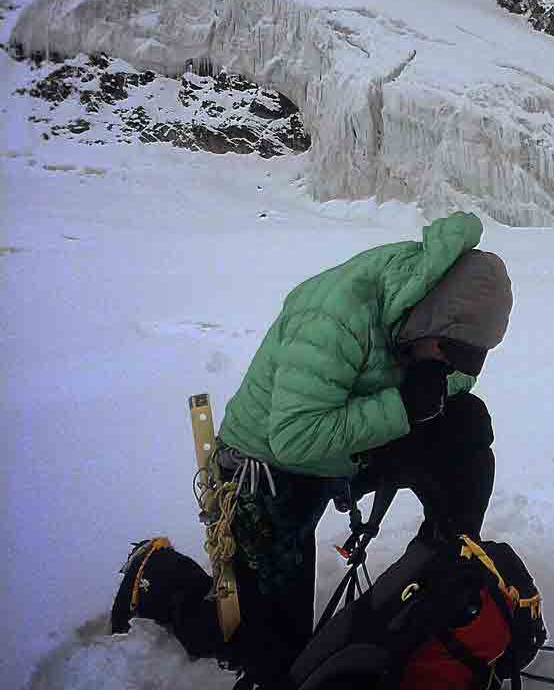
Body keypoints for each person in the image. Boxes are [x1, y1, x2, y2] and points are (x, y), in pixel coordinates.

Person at [110, 211, 513, 689]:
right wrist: (403, 406)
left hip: (348, 446)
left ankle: (446, 561)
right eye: (452, 351)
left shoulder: (434, 327)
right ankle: (155, 575)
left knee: (464, 424)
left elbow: (459, 382)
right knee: (270, 650)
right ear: (430, 317)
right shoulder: (338, 316)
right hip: (269, 469)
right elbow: (295, 438)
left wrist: (429, 393)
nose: (457, 365)